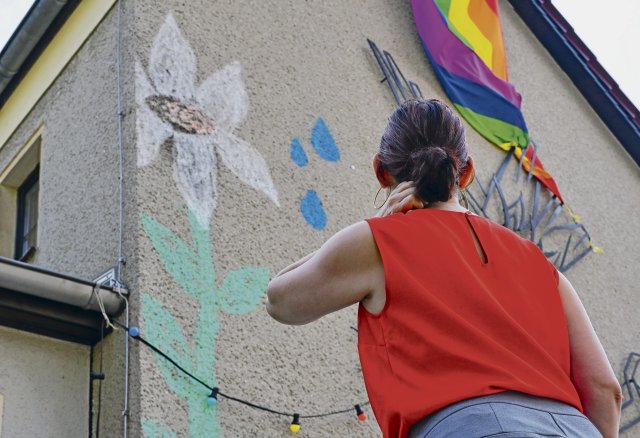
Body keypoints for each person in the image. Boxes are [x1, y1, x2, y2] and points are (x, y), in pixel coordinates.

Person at [266, 99, 622, 437]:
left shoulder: (379, 242)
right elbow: (605, 389)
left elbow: (281, 301)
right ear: (465, 173)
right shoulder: (542, 266)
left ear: (380, 170)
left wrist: (375, 225)